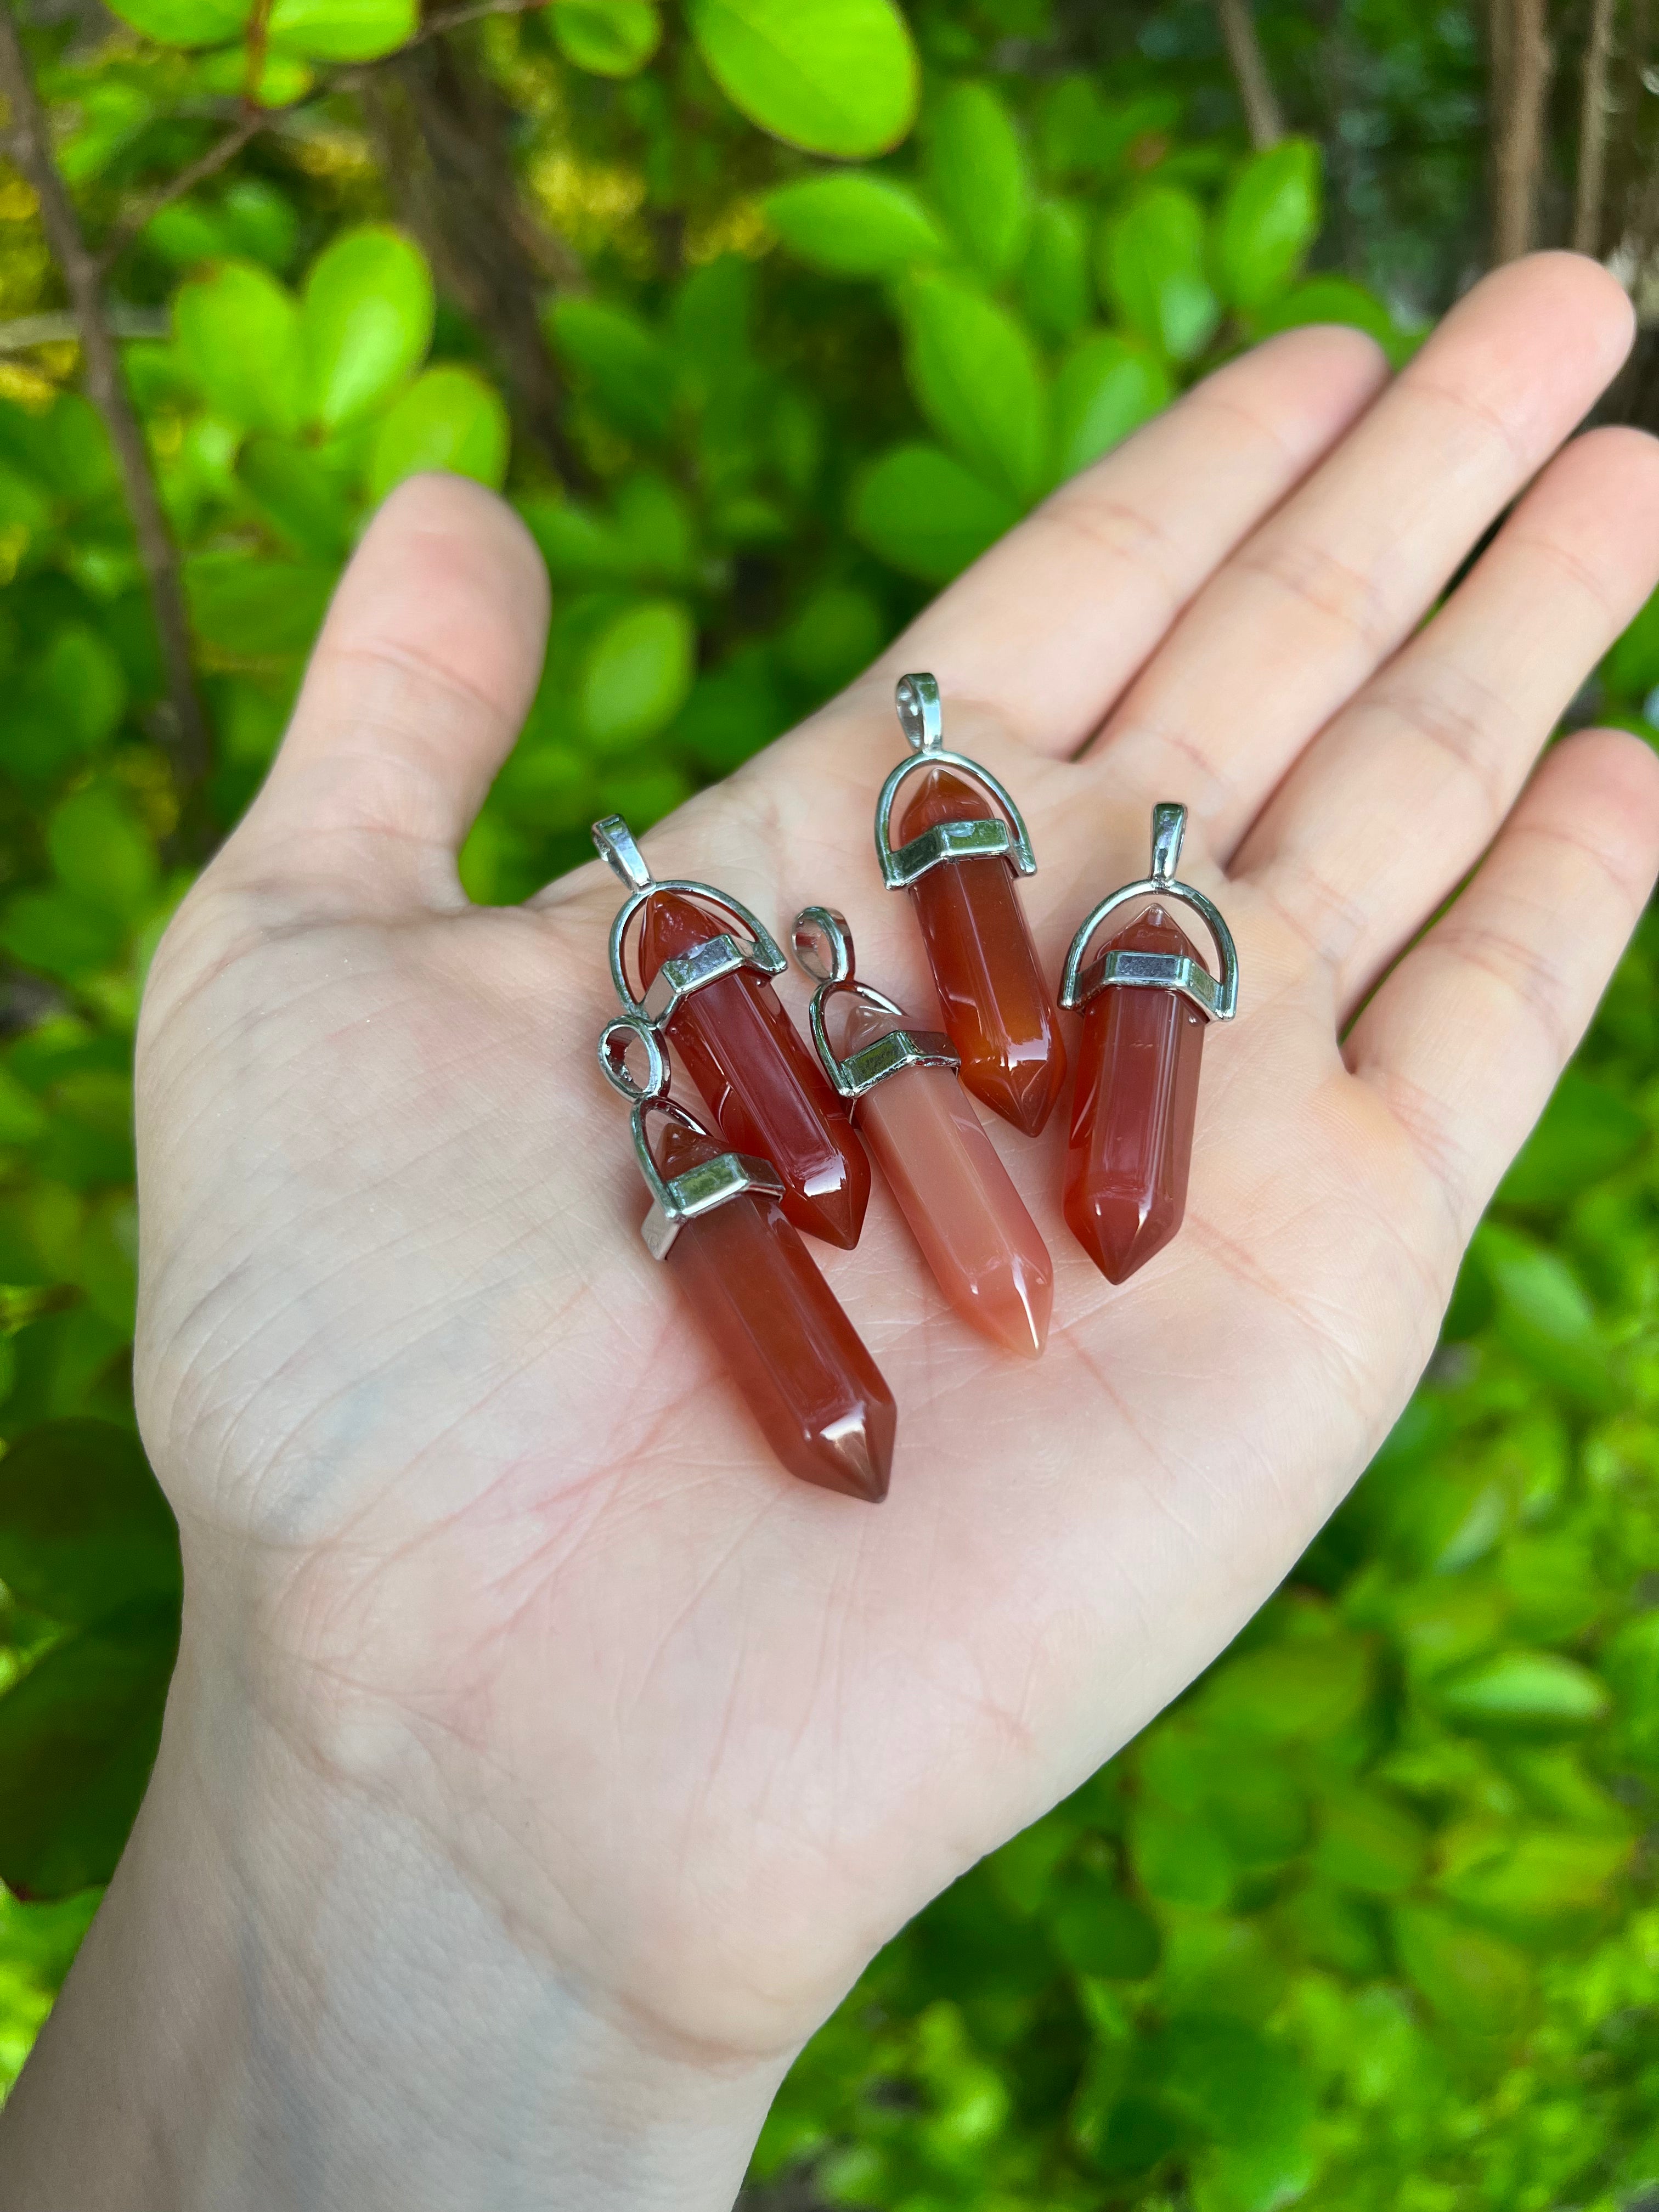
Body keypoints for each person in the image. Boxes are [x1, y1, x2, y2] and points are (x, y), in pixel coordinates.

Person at [1, 252, 1656, 2211]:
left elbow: (1054, 1128)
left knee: (1002, 1135)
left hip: (883, 1067)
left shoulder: (990, 1048)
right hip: (789, 1125)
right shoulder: (772, 1099)